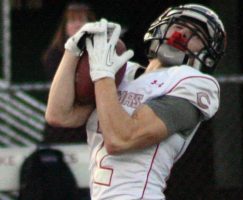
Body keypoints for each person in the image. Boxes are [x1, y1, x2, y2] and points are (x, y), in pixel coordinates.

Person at [45, 3, 226, 200]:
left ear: (206, 56)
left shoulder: (192, 82)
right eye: (179, 26)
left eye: (197, 36)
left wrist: (102, 74)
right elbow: (59, 115)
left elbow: (121, 139)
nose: (182, 35)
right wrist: (72, 50)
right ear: (160, 27)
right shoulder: (121, 72)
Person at [42, 1, 96, 144]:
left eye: (81, 20)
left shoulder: (99, 52)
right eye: (72, 20)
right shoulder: (54, 54)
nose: (77, 25)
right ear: (65, 27)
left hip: (91, 122)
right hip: (62, 125)